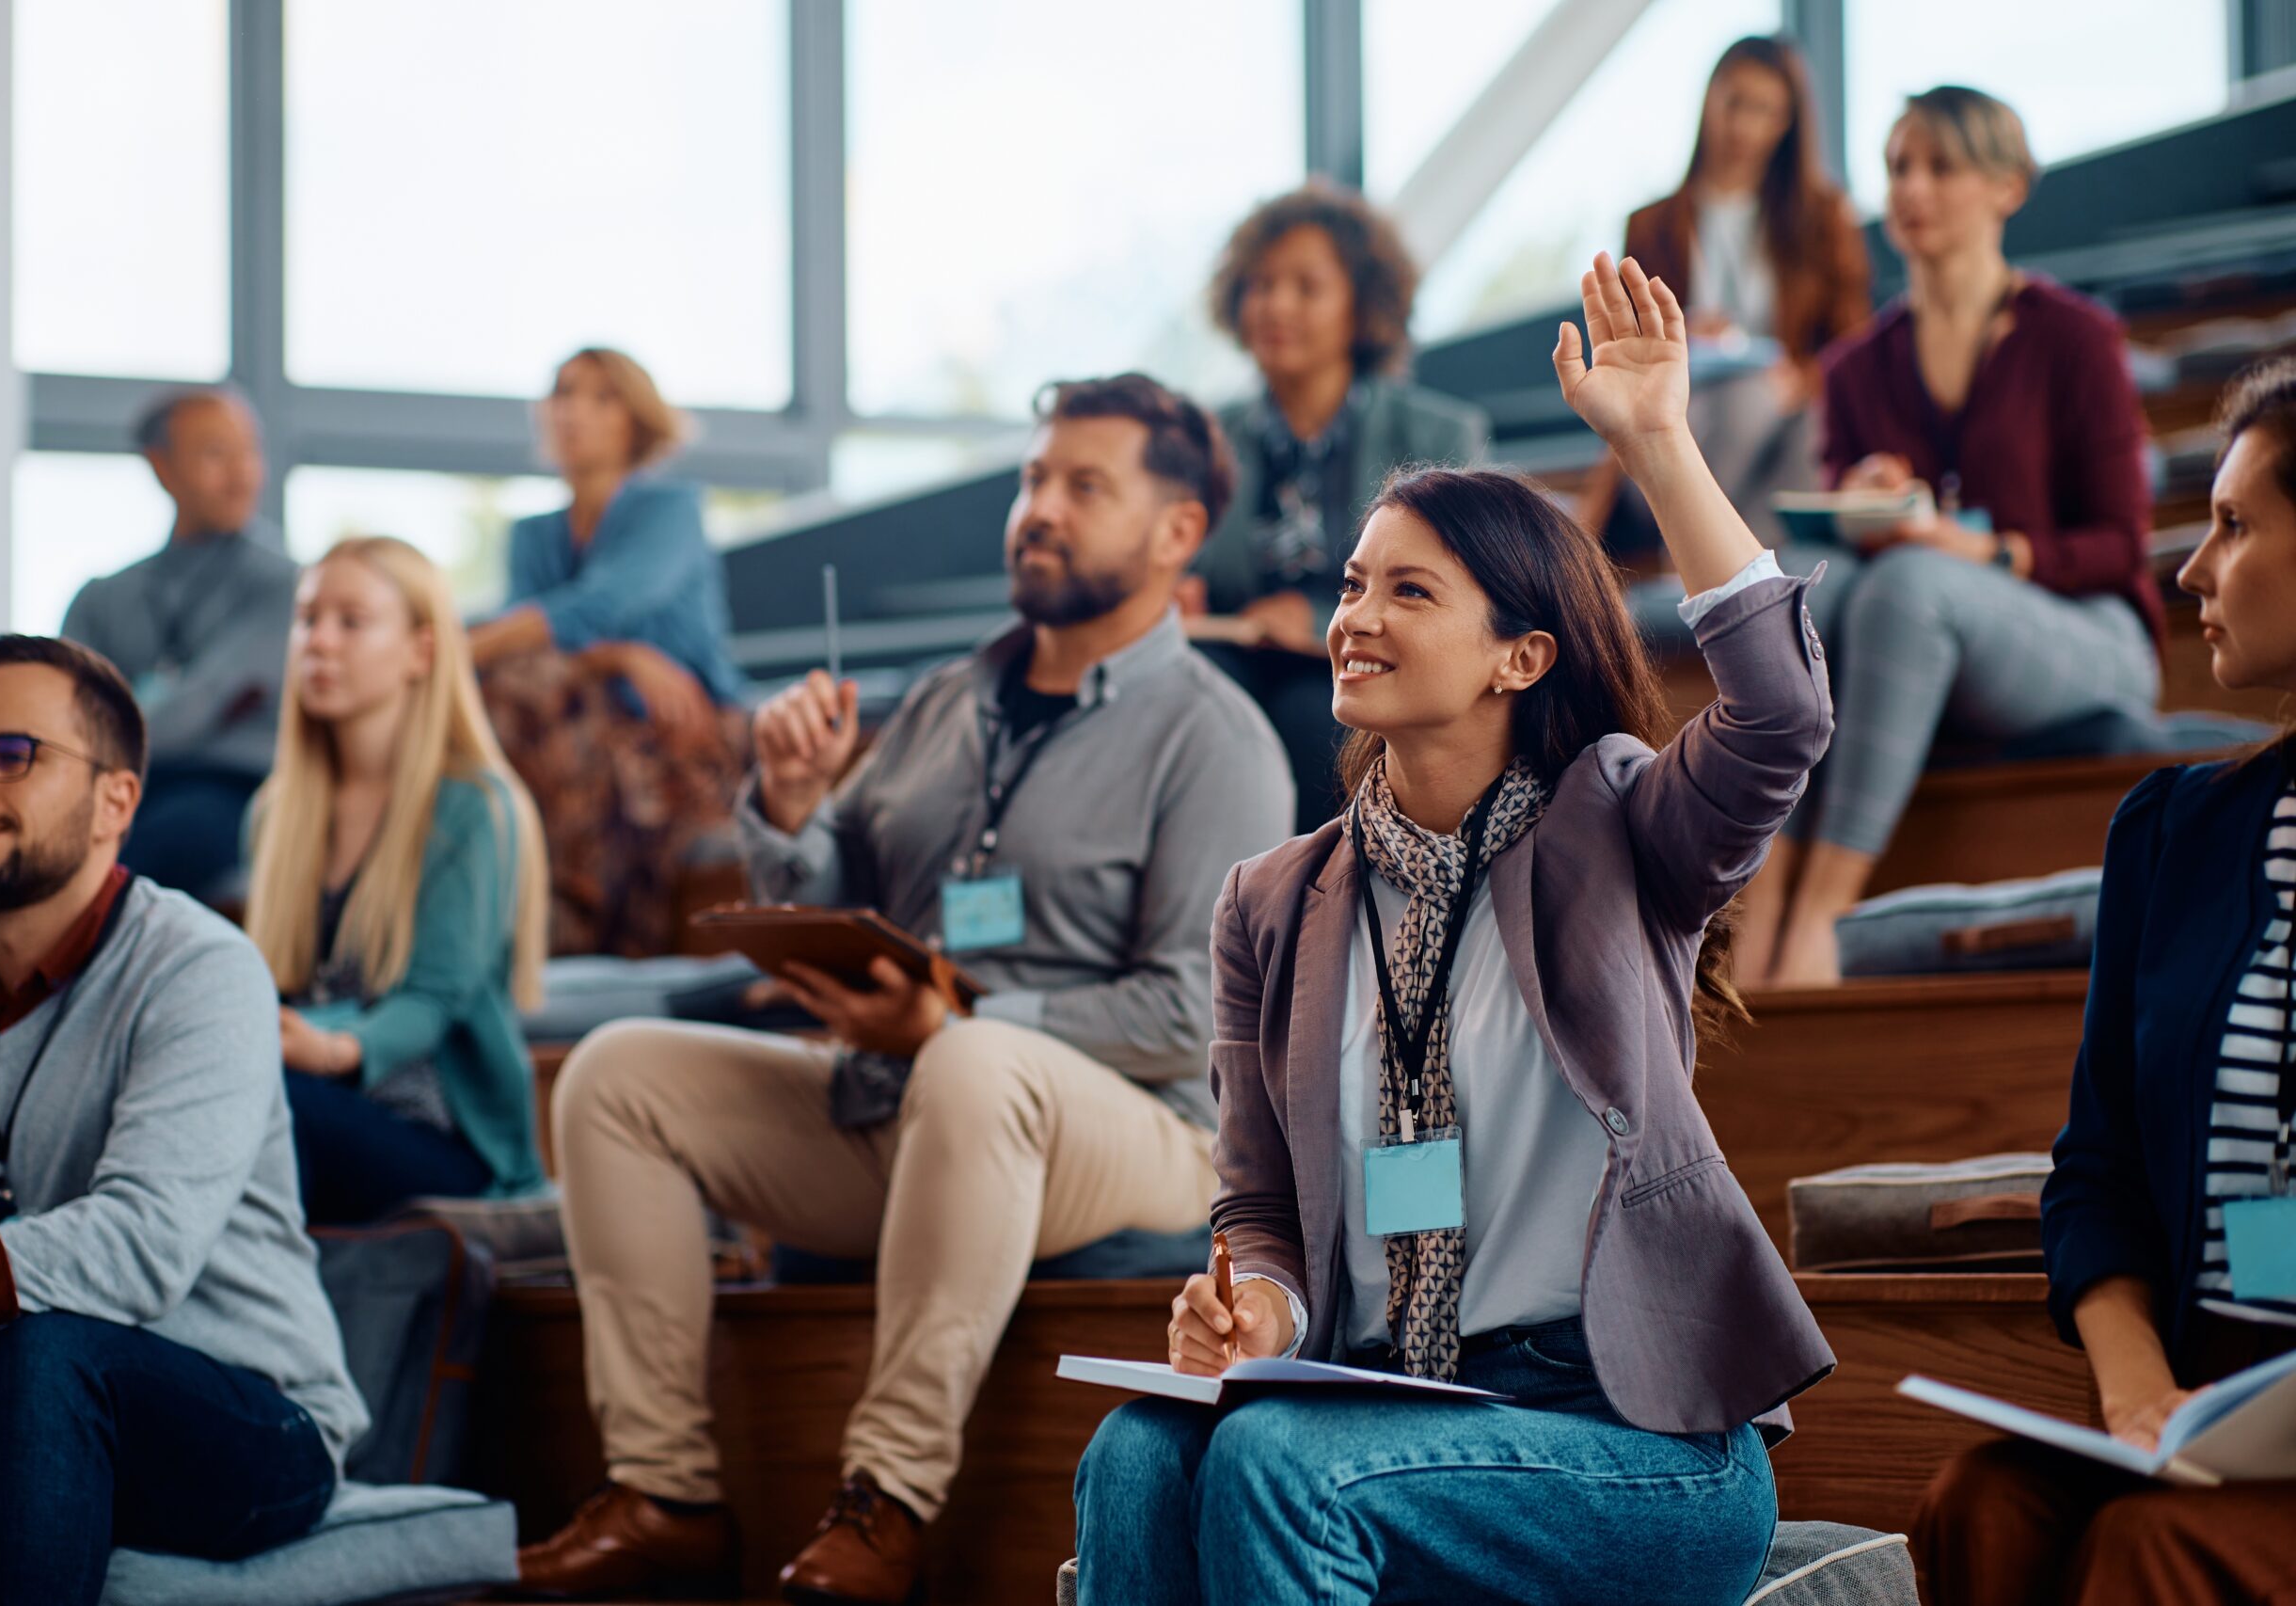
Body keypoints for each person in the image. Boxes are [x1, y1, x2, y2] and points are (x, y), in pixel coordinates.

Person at [1071, 254, 1835, 1605]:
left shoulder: (1614, 826)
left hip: (1627, 1431)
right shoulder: (1269, 901)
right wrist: (1264, 1309)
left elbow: (1778, 715)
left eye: (1408, 593)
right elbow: (1257, 1201)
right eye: (1355, 584)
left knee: (1278, 1465)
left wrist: (1657, 440)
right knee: (1141, 1451)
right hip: (1373, 1392)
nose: (1354, 618)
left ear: (1519, 655)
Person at [513, 374, 1295, 1604]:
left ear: (1177, 532)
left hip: (1135, 1133)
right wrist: (788, 804)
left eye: (1085, 485)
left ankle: (886, 1499)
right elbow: (851, 883)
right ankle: (665, 1492)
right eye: (1035, 478)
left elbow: (1190, 1018)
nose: (1040, 507)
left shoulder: (1219, 738)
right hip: (910, 1106)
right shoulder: (946, 699)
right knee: (618, 1071)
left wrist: (963, 1020)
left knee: (975, 1062)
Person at [1908, 362, 2296, 1602]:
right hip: (2206, 1392)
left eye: (2235, 527)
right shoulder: (2172, 826)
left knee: (2151, 1551)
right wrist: (2136, 1389)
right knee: (1983, 1501)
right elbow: (2099, 1170)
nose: (2193, 570)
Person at [0, 635, 367, 1605]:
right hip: (3, 1406)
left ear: (117, 801)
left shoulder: (203, 970)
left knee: (47, 1347)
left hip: (248, 1419)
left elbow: (143, 1246)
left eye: (12, 753)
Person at [1744, 87, 2161, 986]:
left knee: (1908, 588)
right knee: (1825, 591)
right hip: (1920, 635)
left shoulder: (2077, 340)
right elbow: (1840, 533)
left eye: (1941, 166)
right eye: (1898, 167)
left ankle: (1823, 913)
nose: (1911, 188)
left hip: (2083, 632)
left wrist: (1990, 553)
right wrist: (1858, 496)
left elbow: (2123, 544)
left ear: (2007, 186)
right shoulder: (1857, 365)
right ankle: (1765, 891)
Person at [245, 536, 552, 1226]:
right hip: (317, 1099)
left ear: (421, 650)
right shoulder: (275, 813)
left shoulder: (474, 807)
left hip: (446, 1138)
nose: (318, 641)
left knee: (271, 1106)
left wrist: (328, 1047)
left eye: (351, 621)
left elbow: (434, 1002)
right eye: (306, 618)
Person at [1187, 181, 1491, 830]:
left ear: (1363, 306)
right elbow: (1203, 570)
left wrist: (1322, 616)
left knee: (1311, 715)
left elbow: (1455, 594)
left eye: (1305, 286)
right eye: (1260, 285)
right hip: (1237, 654)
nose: (1274, 305)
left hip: (1368, 658)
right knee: (1188, 700)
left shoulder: (1438, 435)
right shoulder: (1209, 436)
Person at [469, 346, 750, 958]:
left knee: (522, 685)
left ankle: (566, 923)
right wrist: (623, 657)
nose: (574, 410)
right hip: (574, 730)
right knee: (518, 688)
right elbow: (535, 650)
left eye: (601, 396)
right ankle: (527, 909)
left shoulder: (671, 510)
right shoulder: (533, 536)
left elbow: (597, 606)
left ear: (634, 419)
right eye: (564, 392)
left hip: (685, 732)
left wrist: (461, 647)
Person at [1597, 36, 1875, 629]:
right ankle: (1747, 586)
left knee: (1790, 415)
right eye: (1735, 103)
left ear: (1789, 124)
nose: (1745, 126)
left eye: (1767, 111)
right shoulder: (1652, 225)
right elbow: (1625, 349)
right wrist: (1681, 333)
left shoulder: (1823, 218)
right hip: (1686, 401)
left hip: (1783, 407)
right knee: (1709, 410)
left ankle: (1702, 569)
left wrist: (1802, 376)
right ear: (1709, 102)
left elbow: (1854, 345)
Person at [60, 386, 299, 900]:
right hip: (120, 787)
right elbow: (66, 719)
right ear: (160, 466)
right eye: (216, 453)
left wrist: (117, 731)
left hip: (233, 791)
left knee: (155, 844)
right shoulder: (103, 598)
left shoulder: (286, 587)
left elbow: (211, 698)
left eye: (250, 452)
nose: (242, 475)